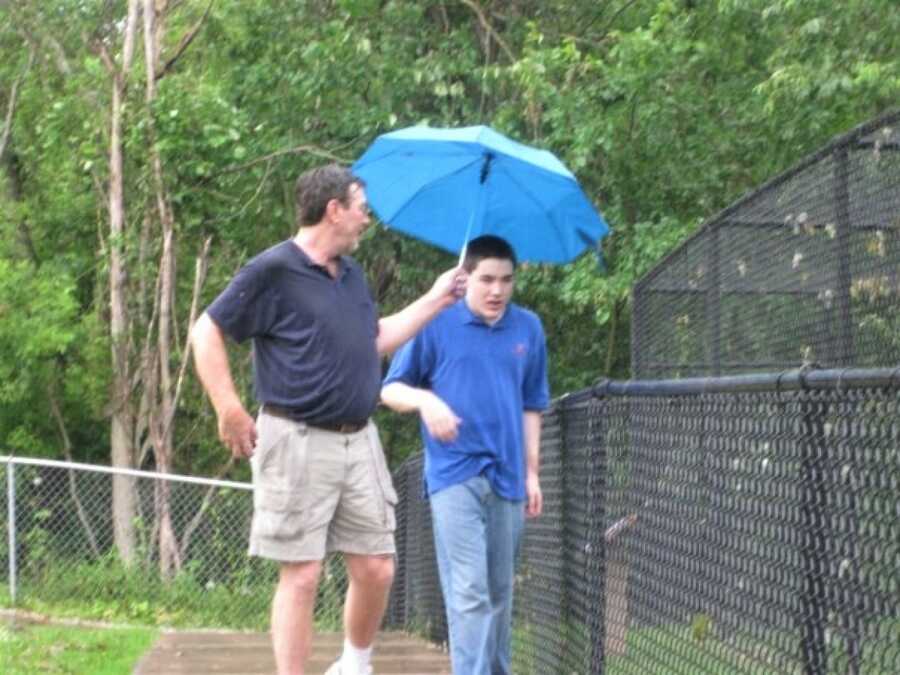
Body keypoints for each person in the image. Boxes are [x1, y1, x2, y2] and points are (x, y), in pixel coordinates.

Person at [190, 163, 466, 675]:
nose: (368, 219)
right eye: (362, 208)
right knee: (302, 575)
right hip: (293, 438)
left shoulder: (353, 276)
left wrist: (437, 298)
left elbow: (374, 340)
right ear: (333, 209)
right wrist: (228, 408)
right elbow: (206, 330)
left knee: (377, 567)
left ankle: (354, 664)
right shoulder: (272, 270)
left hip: (359, 440)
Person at [381, 234, 550, 675]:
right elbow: (391, 389)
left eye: (506, 280)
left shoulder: (528, 328)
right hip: (453, 474)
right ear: (466, 277)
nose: (497, 290)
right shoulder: (436, 323)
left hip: (509, 478)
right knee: (470, 592)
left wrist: (533, 472)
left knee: (499, 592)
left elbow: (533, 404)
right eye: (487, 279)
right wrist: (427, 402)